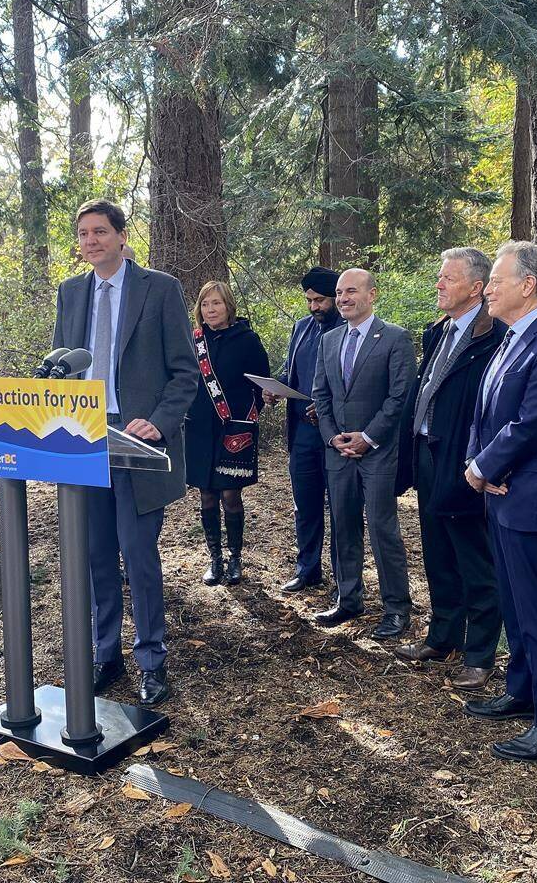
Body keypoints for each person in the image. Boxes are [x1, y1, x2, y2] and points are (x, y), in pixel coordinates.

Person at [52, 199, 198, 708]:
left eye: (99, 232)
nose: (90, 241)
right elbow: (58, 368)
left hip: (139, 443)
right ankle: (105, 653)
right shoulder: (70, 293)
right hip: (84, 442)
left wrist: (157, 423)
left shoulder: (159, 289)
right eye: (83, 234)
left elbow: (186, 373)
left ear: (120, 235)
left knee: (138, 557)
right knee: (95, 557)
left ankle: (152, 661)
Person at [463, 241, 537, 763]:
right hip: (501, 493)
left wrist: (485, 467)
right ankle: (522, 691)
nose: (487, 287)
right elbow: (485, 415)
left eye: (496, 278)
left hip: (531, 497)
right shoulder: (509, 340)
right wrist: (480, 466)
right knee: (514, 603)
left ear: (527, 284)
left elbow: (532, 423)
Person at [395, 248, 507, 692]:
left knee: (474, 556)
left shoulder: (492, 335)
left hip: (464, 460)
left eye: (448, 278)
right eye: (439, 277)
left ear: (476, 288)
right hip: (428, 452)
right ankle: (442, 637)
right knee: (437, 549)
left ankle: (480, 654)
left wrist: (482, 461)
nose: (438, 284)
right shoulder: (439, 332)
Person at [311, 268, 416, 638]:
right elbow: (320, 396)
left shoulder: (395, 338)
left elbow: (400, 397)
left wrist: (368, 437)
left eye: (351, 291)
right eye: (339, 292)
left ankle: (397, 608)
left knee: (382, 529)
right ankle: (349, 598)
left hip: (378, 453)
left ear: (372, 294)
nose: (342, 298)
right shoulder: (329, 340)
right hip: (338, 453)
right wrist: (332, 438)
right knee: (343, 525)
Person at [263, 267, 346, 593]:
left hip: (337, 436)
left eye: (320, 300)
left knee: (340, 509)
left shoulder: (347, 329)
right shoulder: (301, 328)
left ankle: (344, 578)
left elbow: (356, 384)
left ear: (336, 298)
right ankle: (308, 568)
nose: (314, 306)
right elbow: (291, 374)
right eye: (310, 300)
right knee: (306, 506)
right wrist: (275, 389)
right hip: (301, 436)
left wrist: (328, 407)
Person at [185, 280, 271, 586]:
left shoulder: (247, 339)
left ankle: (235, 558)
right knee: (206, 494)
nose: (210, 310)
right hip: (198, 430)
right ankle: (215, 559)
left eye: (216, 303)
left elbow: (262, 384)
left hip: (234, 428)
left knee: (231, 495)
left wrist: (246, 419)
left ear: (228, 306)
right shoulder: (193, 340)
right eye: (205, 304)